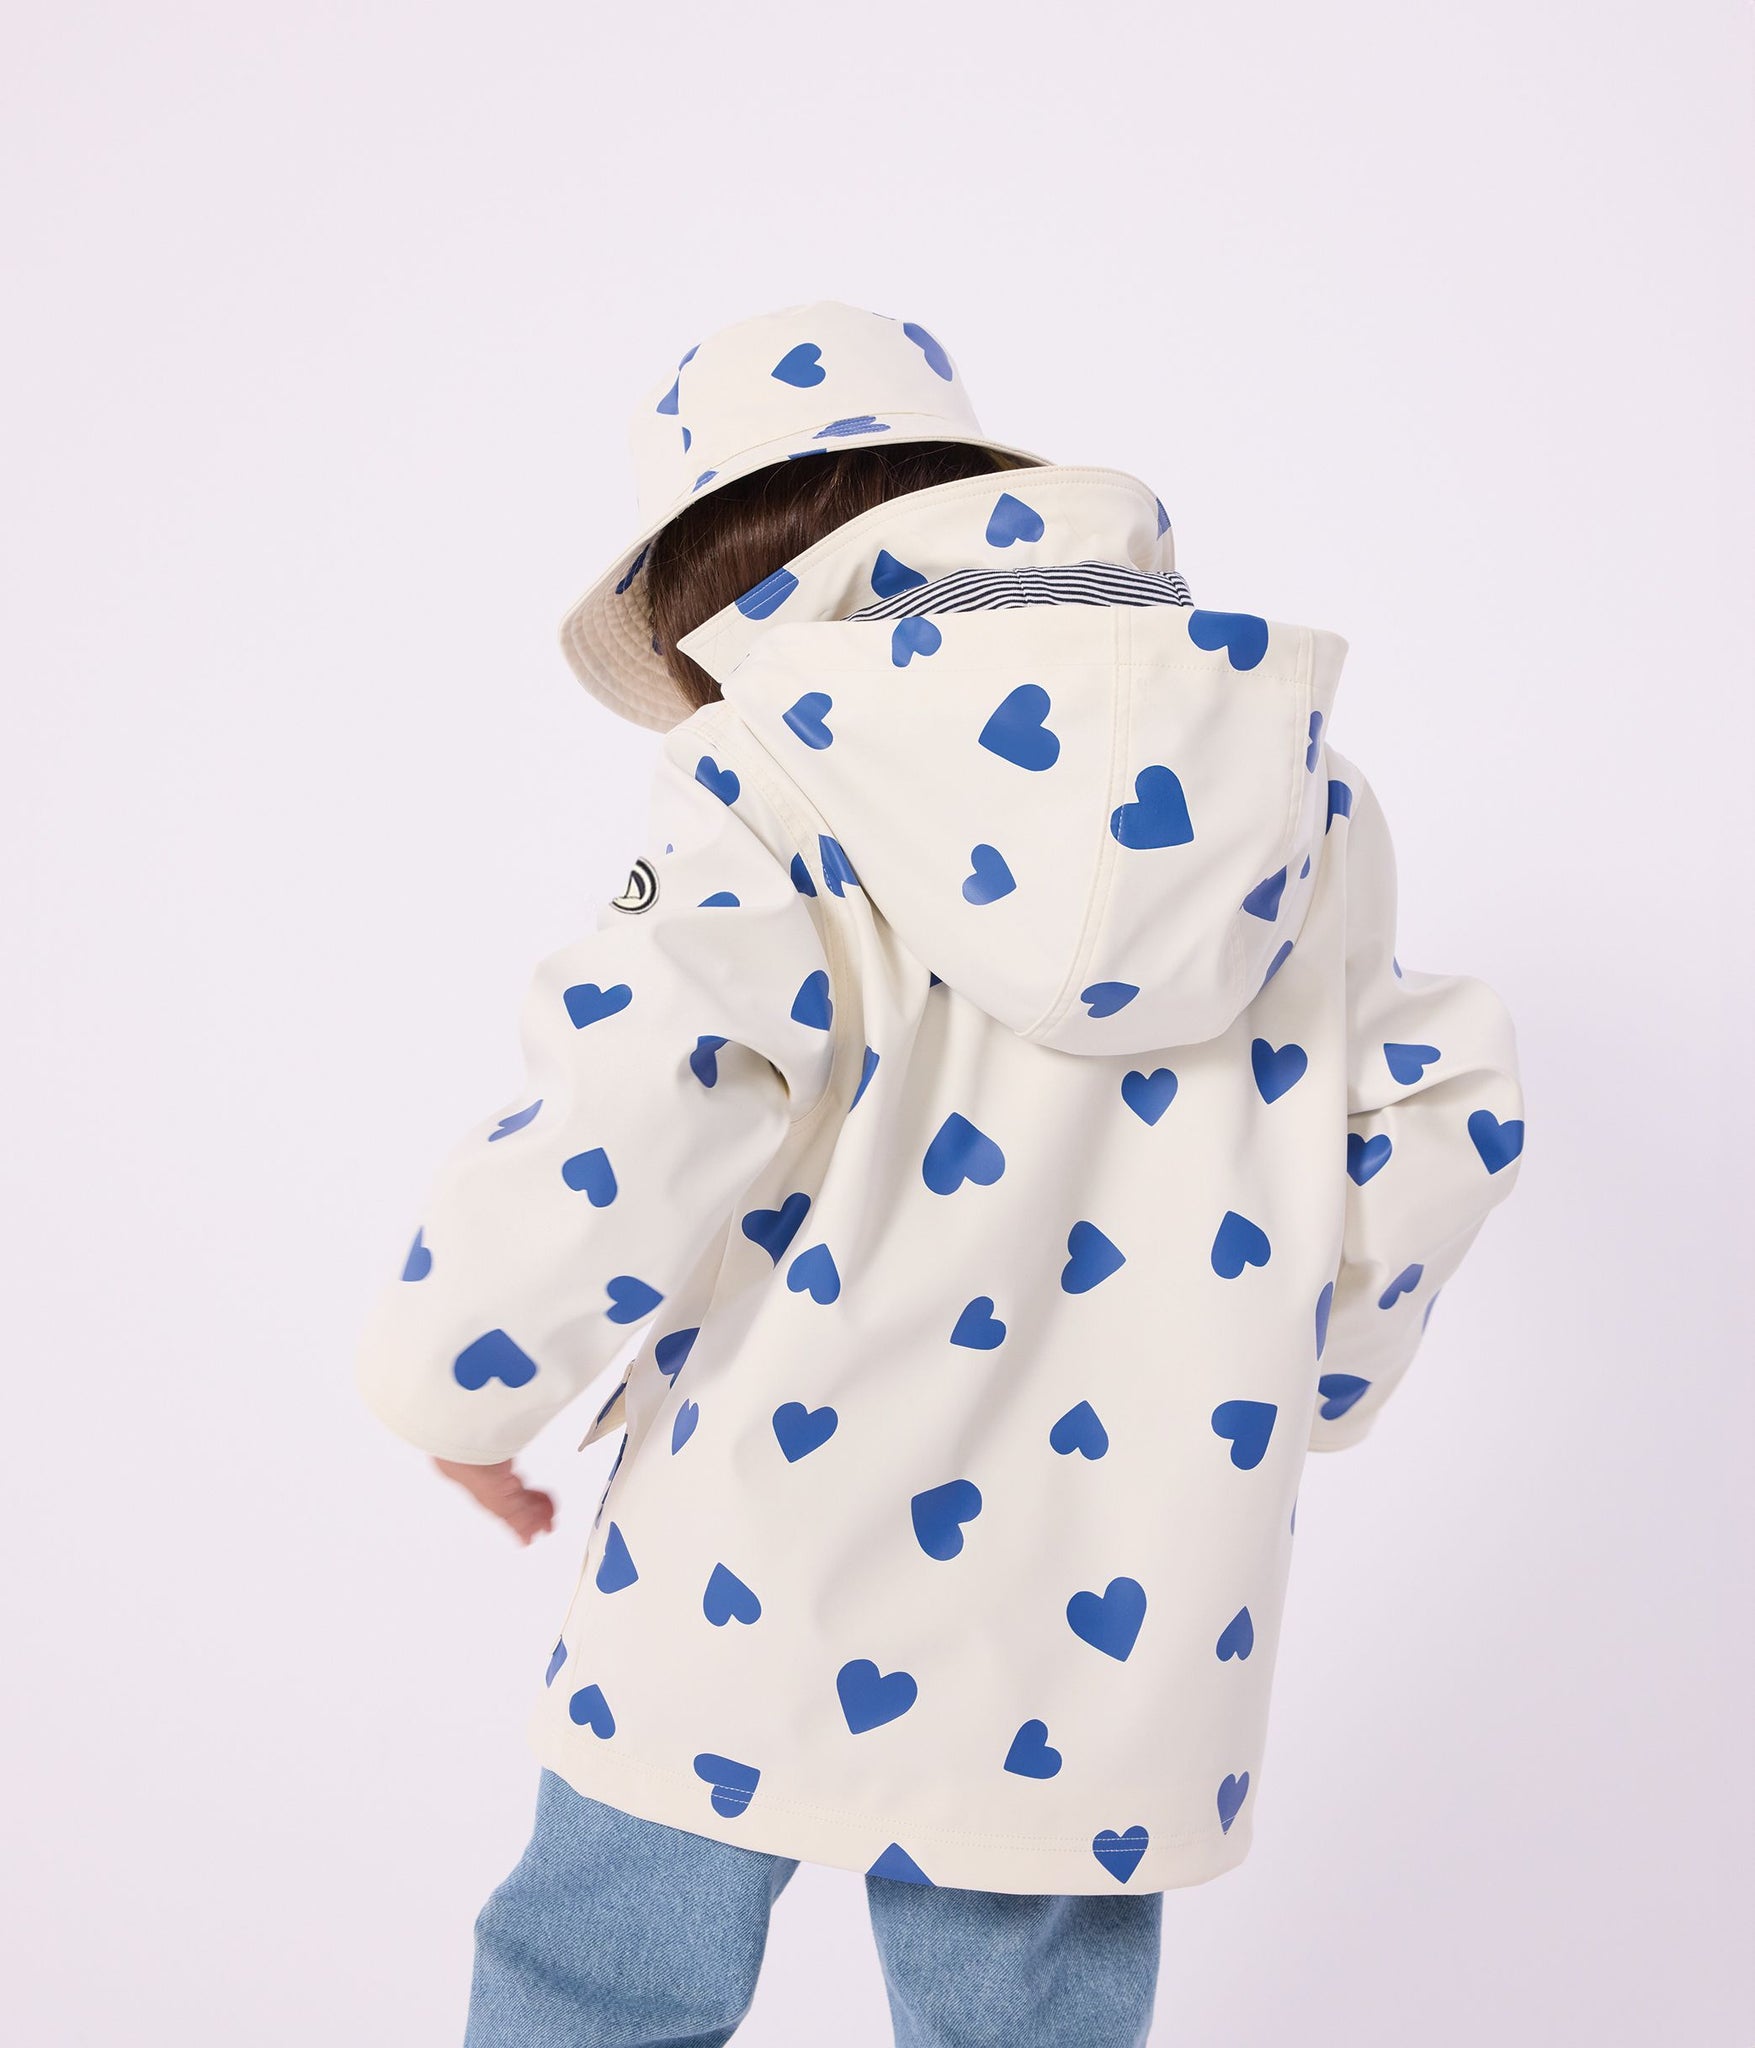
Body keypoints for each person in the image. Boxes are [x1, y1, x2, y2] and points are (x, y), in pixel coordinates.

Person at [357, 300, 1525, 2046]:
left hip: (753, 1532)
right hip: (1115, 1583)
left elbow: (640, 1096)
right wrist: (1305, 1378)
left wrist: (458, 1383)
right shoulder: (1293, 788)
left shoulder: (764, 769)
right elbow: (1435, 1117)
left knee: (600, 1978)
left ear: (706, 577)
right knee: (1026, 2019)